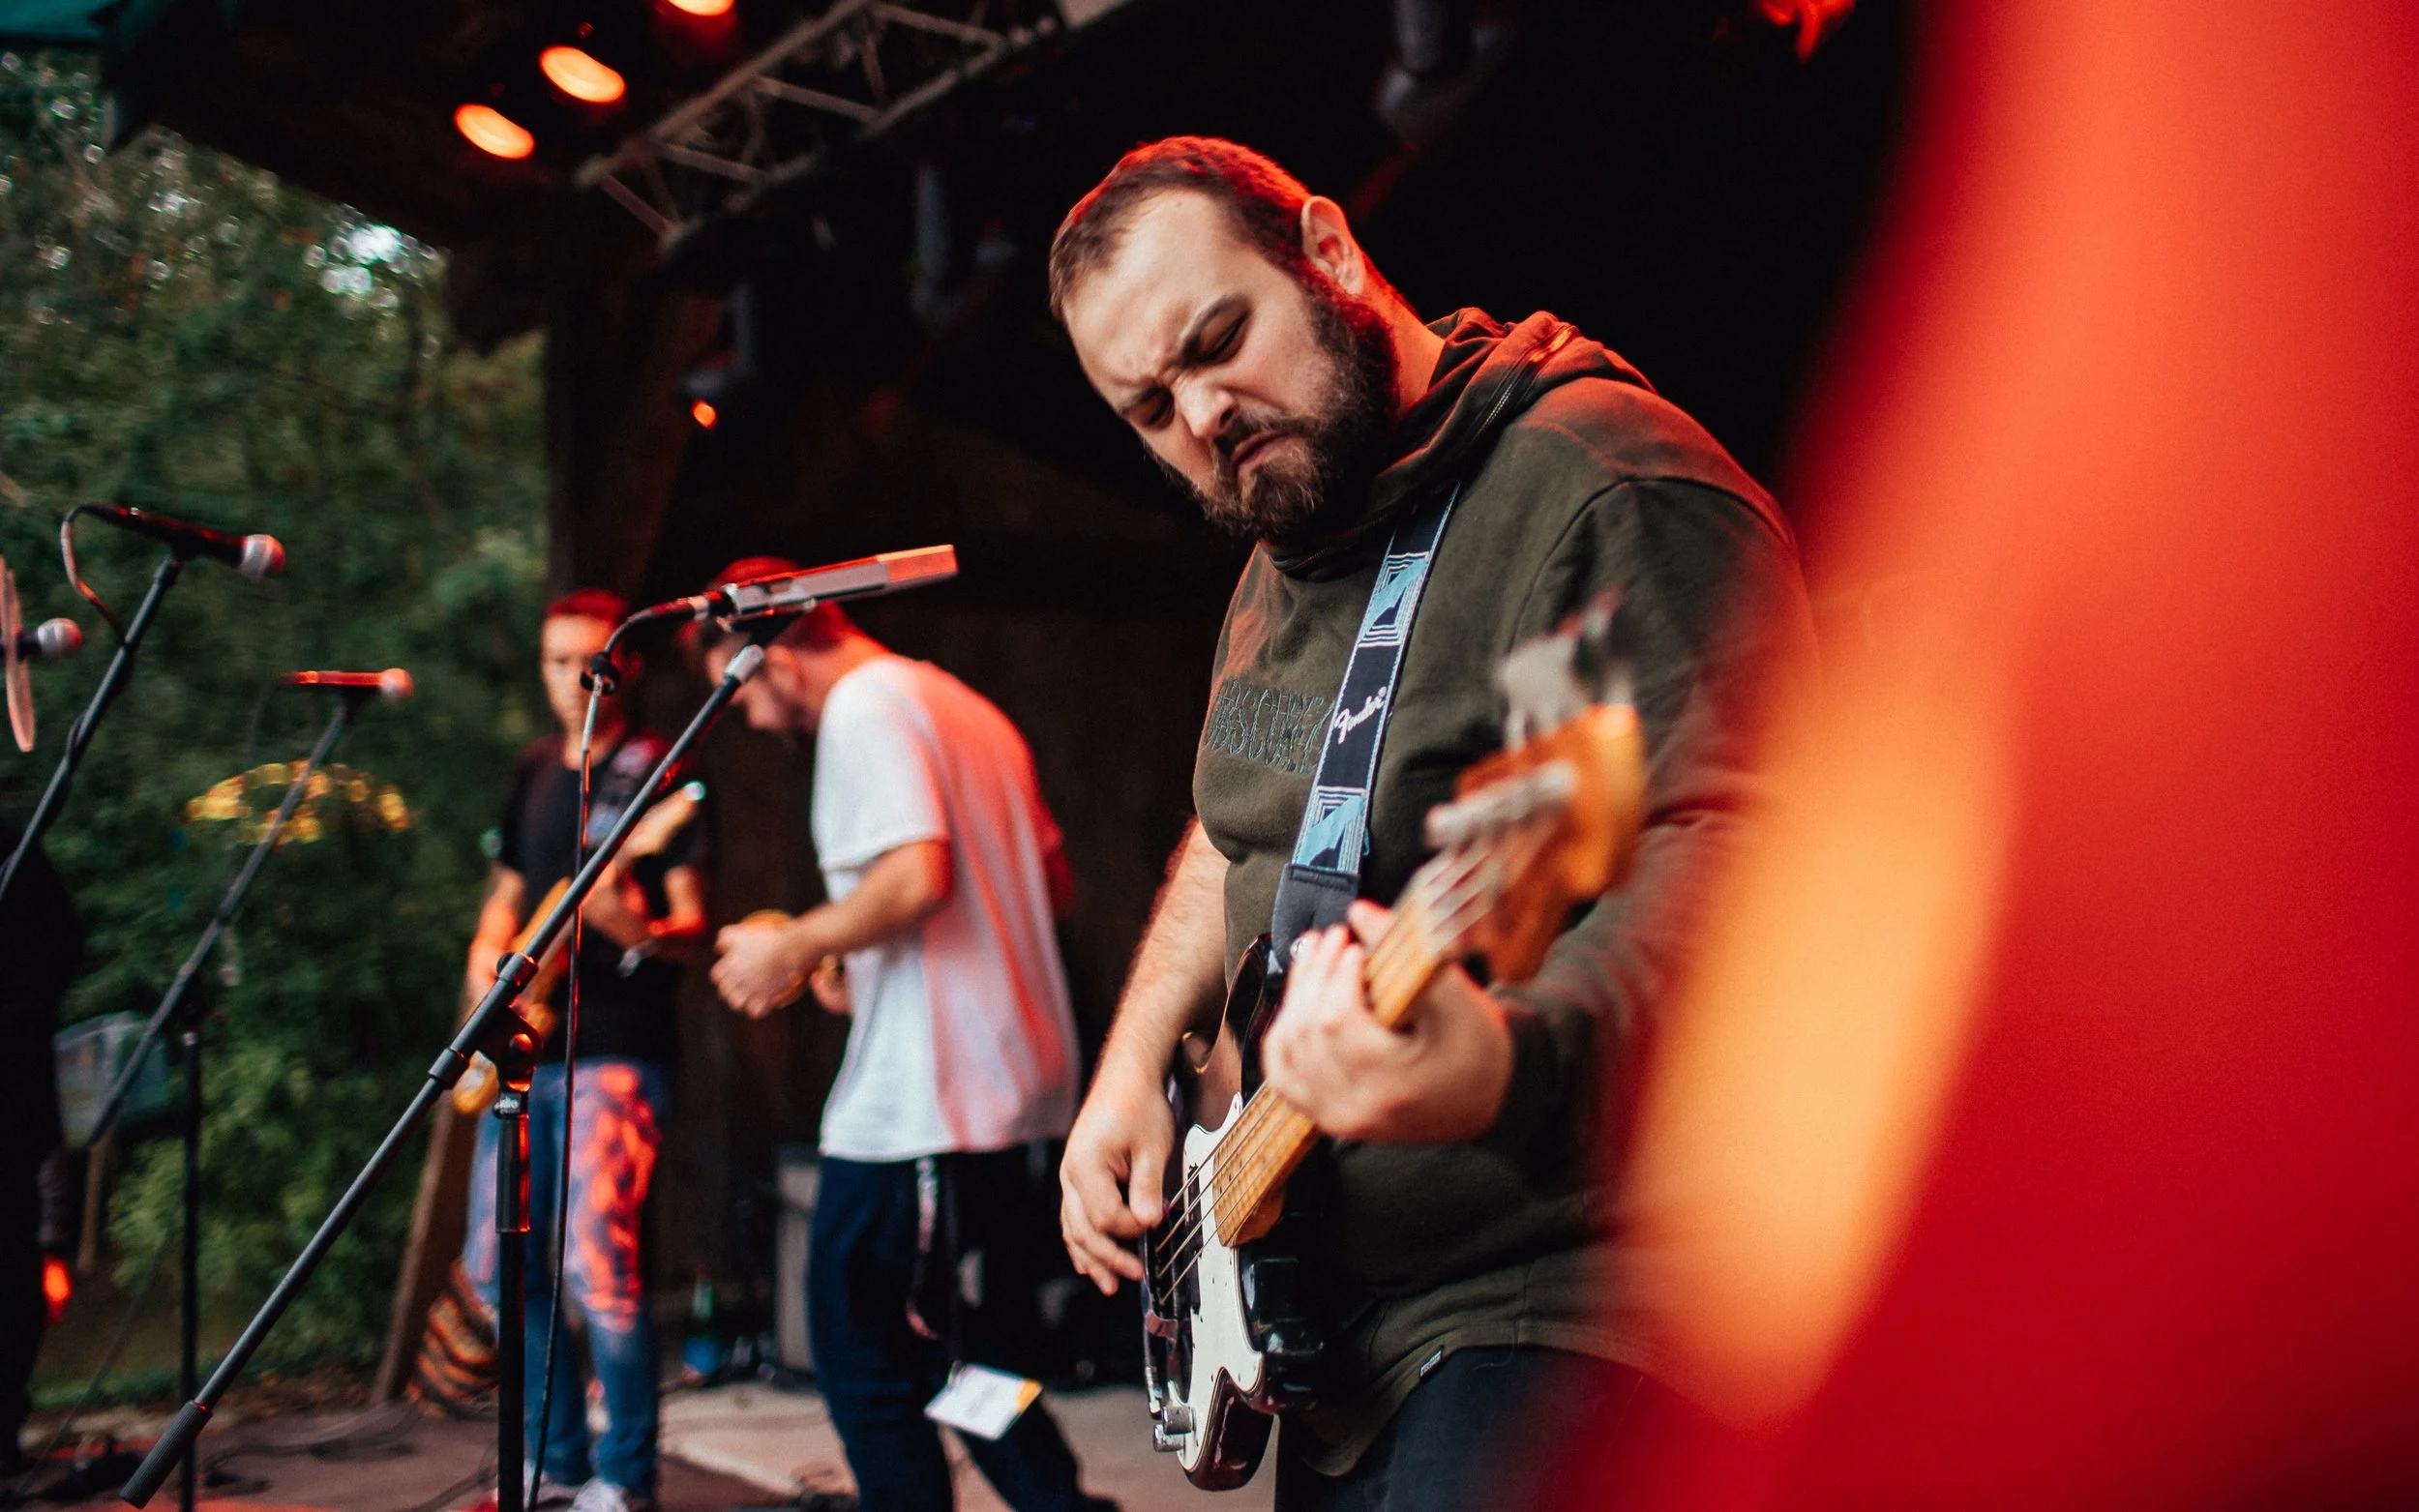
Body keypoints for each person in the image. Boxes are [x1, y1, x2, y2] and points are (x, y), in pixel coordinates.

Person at [1047, 137, 1815, 1510]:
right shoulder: (1286, 549)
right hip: (1341, 1338)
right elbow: (1235, 830)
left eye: (1217, 340)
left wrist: (1508, 1059)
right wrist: (1130, 1062)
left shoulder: (1577, 496)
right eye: (1150, 406)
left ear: (1329, 255)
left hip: (1558, 1301)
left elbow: (1714, 851)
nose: (1204, 414)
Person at [702, 562, 1116, 1512]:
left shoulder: (864, 705)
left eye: (740, 687)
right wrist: (863, 967)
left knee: (860, 1348)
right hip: (1013, 1095)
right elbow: (1044, 887)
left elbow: (917, 876)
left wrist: (791, 947)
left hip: (927, 1103)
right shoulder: (965, 707)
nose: (757, 723)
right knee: (975, 1354)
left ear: (775, 649)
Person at [459, 589, 708, 1512]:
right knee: (498, 1265)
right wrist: (488, 960)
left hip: (617, 1048)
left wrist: (625, 922)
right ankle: (555, 1462)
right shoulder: (533, 770)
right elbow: (506, 892)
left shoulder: (657, 773)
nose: (572, 678)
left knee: (599, 1266)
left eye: (587, 660)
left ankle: (627, 1478)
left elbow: (692, 928)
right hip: (526, 1053)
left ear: (624, 666)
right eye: (555, 659)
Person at [0, 820, 83, 1478]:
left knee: (17, 1253)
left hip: (17, 1063)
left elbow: (63, 945)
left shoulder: (16, 846)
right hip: (23, 1058)